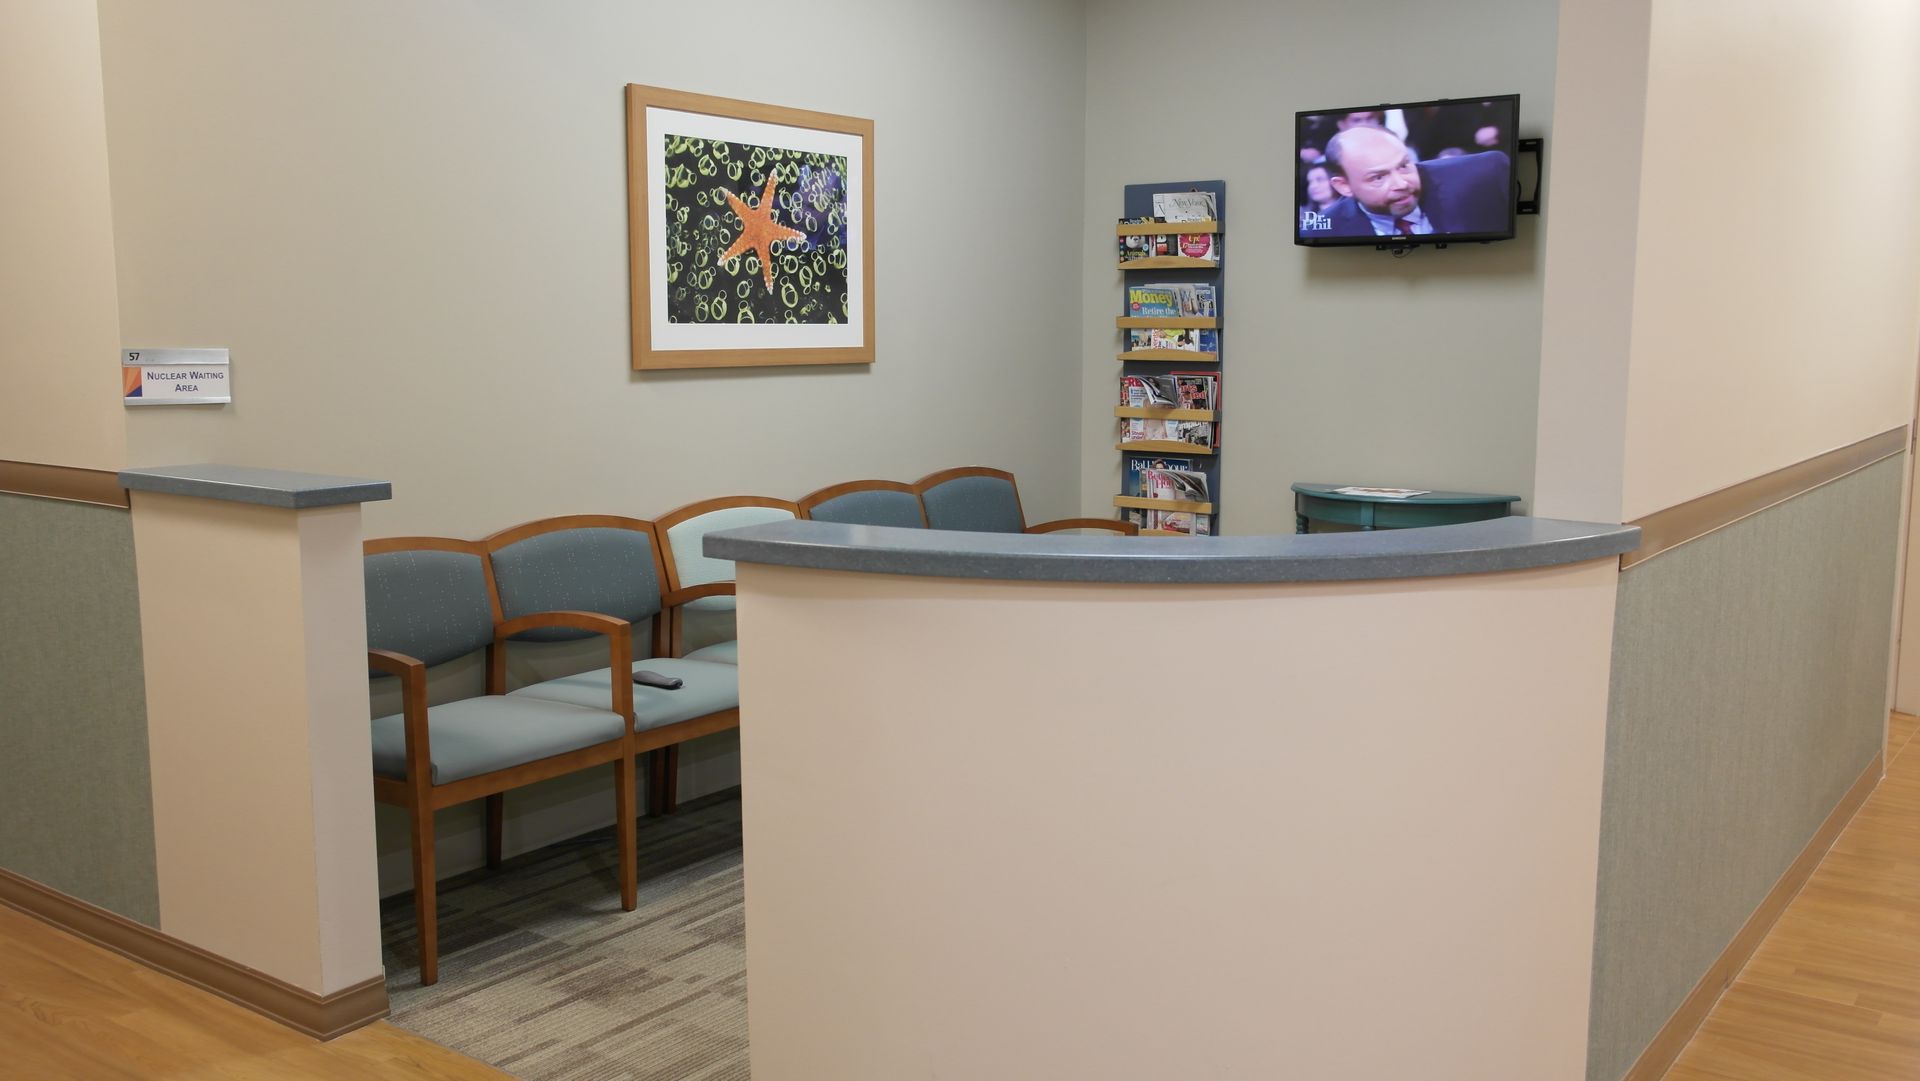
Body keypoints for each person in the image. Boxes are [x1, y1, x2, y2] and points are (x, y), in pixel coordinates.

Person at [1308, 125, 1511, 239]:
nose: (1402, 184)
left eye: (1404, 166)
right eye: (1379, 177)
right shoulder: (1323, 230)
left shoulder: (1485, 175)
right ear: (1344, 186)